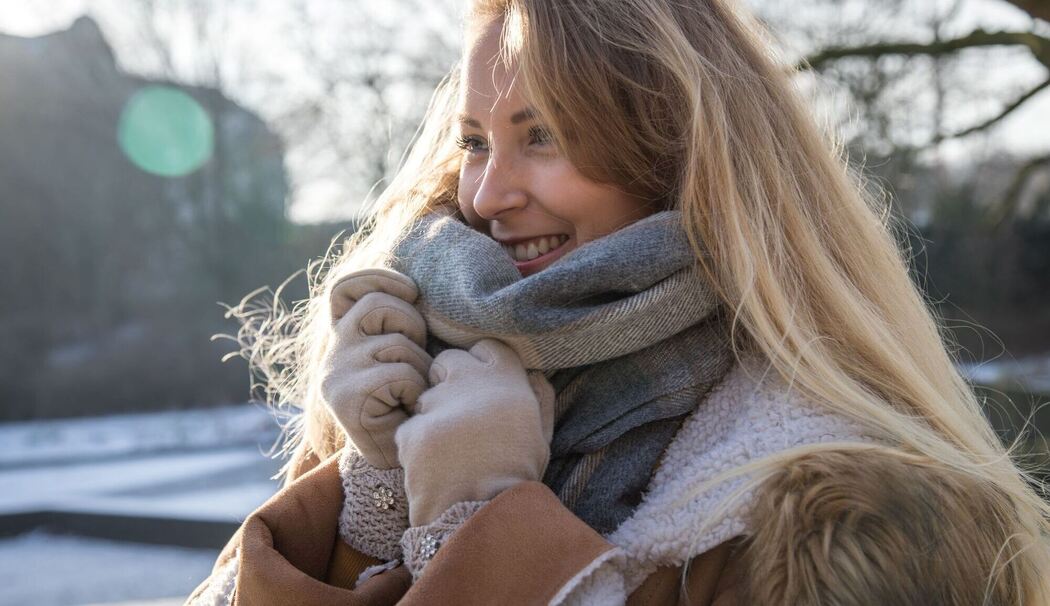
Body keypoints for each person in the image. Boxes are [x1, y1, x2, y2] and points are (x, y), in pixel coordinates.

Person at [187, 0, 1050, 604]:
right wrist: (371, 486)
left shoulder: (842, 514)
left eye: (544, 136)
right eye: (475, 143)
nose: (486, 194)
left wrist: (479, 522)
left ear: (676, 149)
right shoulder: (434, 387)